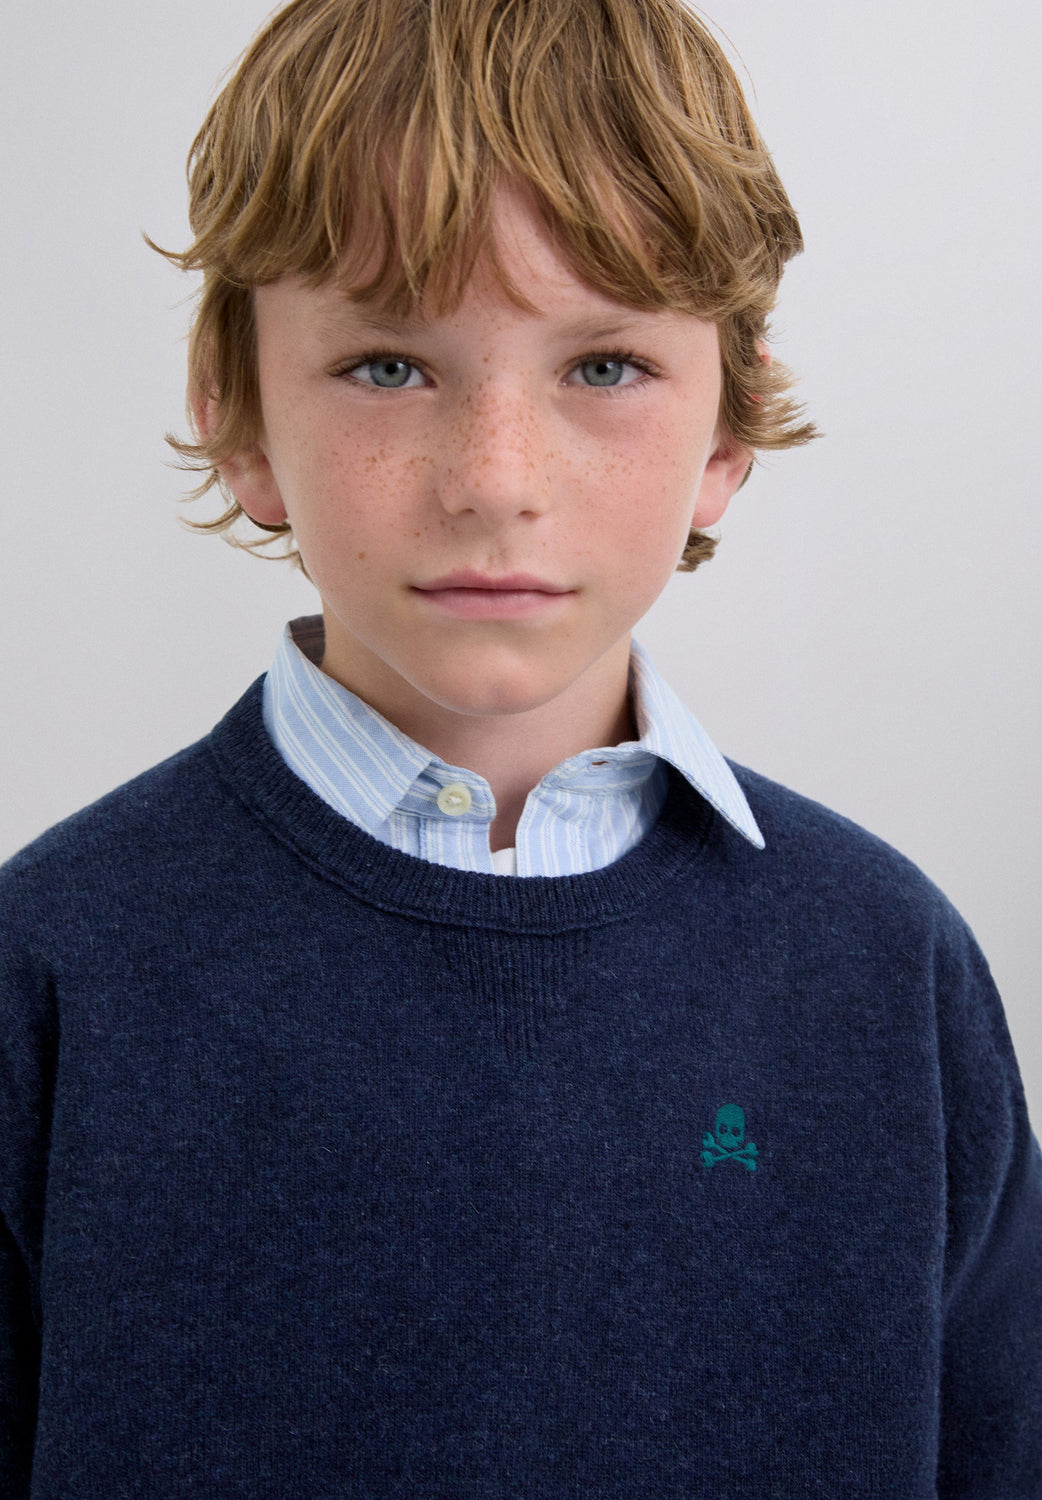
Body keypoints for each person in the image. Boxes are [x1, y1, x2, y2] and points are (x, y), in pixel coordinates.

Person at [1, 0, 1039, 1492]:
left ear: (728, 432)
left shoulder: (889, 966)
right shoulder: (48, 969)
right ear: (235, 412)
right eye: (387, 365)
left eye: (602, 367)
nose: (496, 480)